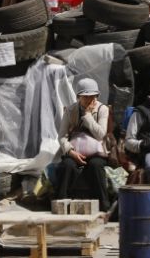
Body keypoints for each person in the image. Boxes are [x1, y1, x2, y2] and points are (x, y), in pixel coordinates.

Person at [56, 78, 110, 212]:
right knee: (67, 165)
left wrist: (87, 115)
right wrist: (70, 151)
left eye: (92, 96)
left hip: (96, 152)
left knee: (96, 166)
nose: (89, 100)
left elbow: (100, 134)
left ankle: (104, 205)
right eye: (85, 97)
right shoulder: (70, 110)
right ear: (79, 97)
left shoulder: (102, 109)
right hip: (75, 149)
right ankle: (61, 203)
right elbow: (62, 136)